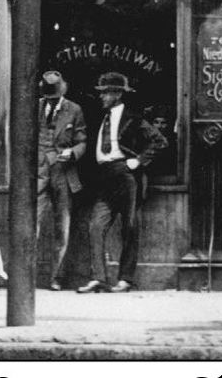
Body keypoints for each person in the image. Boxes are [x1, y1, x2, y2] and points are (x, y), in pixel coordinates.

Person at [77, 71, 166, 293]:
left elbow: (160, 141)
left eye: (105, 93)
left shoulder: (133, 118)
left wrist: (138, 161)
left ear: (117, 94)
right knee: (96, 226)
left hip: (126, 176)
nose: (101, 97)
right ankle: (98, 277)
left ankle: (125, 279)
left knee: (129, 227)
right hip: (105, 177)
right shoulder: (100, 117)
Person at [36, 70, 88, 290]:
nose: (52, 101)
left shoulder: (74, 110)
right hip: (37, 174)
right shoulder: (34, 107)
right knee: (31, 224)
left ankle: (56, 277)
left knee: (62, 227)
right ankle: (26, 276)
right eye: (49, 98)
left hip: (63, 174)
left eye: (55, 98)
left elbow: (82, 140)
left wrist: (73, 152)